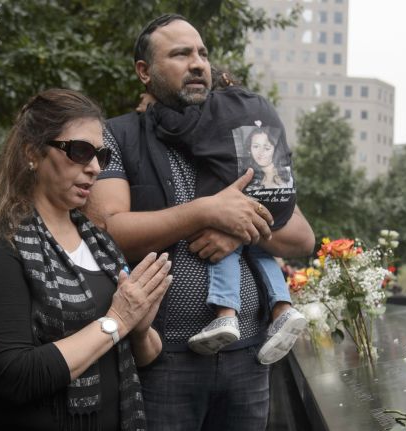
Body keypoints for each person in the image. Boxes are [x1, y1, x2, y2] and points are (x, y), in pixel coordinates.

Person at [85, 14, 315, 431]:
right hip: (161, 358)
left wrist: (237, 228)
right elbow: (107, 233)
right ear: (144, 72)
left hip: (249, 357)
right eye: (180, 54)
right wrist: (205, 211)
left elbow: (301, 237)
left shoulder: (241, 138)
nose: (198, 63)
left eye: (202, 54)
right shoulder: (117, 136)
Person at [0, 88, 171, 431]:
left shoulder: (101, 243)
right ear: (32, 154)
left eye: (102, 156)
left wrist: (139, 329)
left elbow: (147, 355)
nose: (95, 168)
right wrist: (115, 322)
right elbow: (15, 376)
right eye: (80, 151)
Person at [146, 72, 306, 362]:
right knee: (258, 245)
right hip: (279, 195)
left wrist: (155, 109)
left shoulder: (215, 108)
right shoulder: (263, 105)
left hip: (237, 196)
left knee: (228, 240)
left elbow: (182, 129)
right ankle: (283, 309)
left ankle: (225, 312)